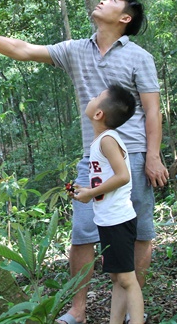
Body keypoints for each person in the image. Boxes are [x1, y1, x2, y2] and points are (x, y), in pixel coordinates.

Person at [0, 0, 168, 324]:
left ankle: (132, 305)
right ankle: (78, 310)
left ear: (125, 18)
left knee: (140, 231)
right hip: (93, 157)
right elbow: (24, 50)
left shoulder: (139, 57)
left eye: (113, 0)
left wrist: (153, 156)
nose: (103, 1)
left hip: (135, 155)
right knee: (83, 232)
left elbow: (152, 108)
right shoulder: (76, 50)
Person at [71, 84, 144, 324]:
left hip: (118, 220)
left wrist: (91, 193)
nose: (91, 97)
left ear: (99, 114)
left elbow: (123, 175)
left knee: (127, 280)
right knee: (117, 278)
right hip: (107, 219)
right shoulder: (101, 140)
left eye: (96, 96)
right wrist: (86, 190)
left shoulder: (107, 140)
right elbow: (106, 177)